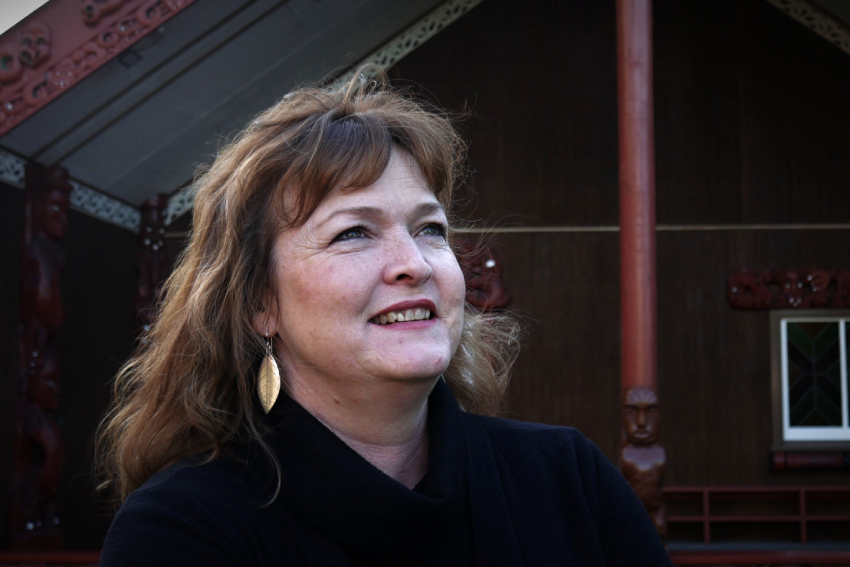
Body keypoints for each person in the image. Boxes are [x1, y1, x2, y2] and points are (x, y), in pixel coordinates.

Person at [97, 68, 672, 566]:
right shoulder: (182, 529)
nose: (414, 263)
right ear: (258, 303)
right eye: (353, 232)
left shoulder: (567, 481)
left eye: (430, 229)